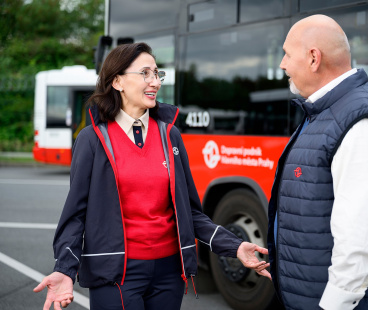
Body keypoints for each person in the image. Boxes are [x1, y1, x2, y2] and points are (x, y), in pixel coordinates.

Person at [33, 42, 270, 310]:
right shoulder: (91, 140)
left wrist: (235, 247)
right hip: (115, 274)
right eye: (145, 73)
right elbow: (75, 214)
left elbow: (190, 213)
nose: (155, 82)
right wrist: (65, 268)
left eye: (157, 74)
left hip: (169, 274)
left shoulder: (171, 136)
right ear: (118, 82)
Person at [266, 15, 368, 309]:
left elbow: (357, 247)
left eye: (287, 53)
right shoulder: (328, 111)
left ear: (314, 58)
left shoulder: (359, 121)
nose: (283, 64)